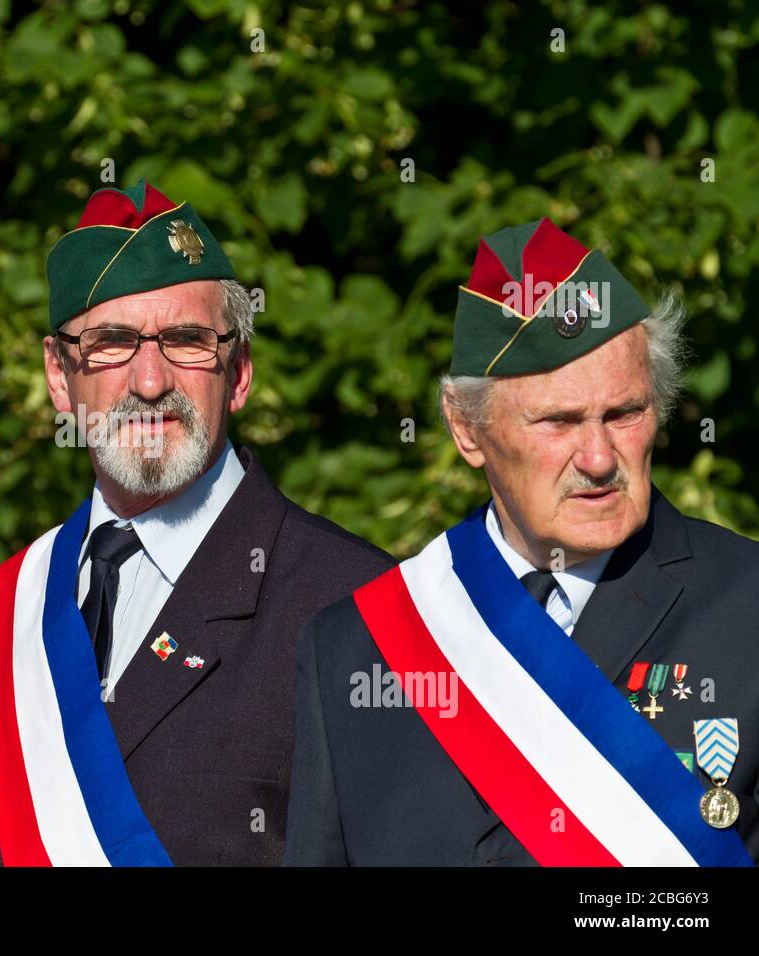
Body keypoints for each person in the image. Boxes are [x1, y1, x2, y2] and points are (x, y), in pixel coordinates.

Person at [0, 179, 393, 866]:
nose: (148, 381)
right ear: (59, 374)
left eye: (186, 340)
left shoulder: (354, 606)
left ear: (241, 371)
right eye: (110, 344)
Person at [285, 218, 757, 866]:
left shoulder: (746, 607)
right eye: (557, 421)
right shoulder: (354, 648)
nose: (598, 457)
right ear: (466, 428)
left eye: (624, 413)